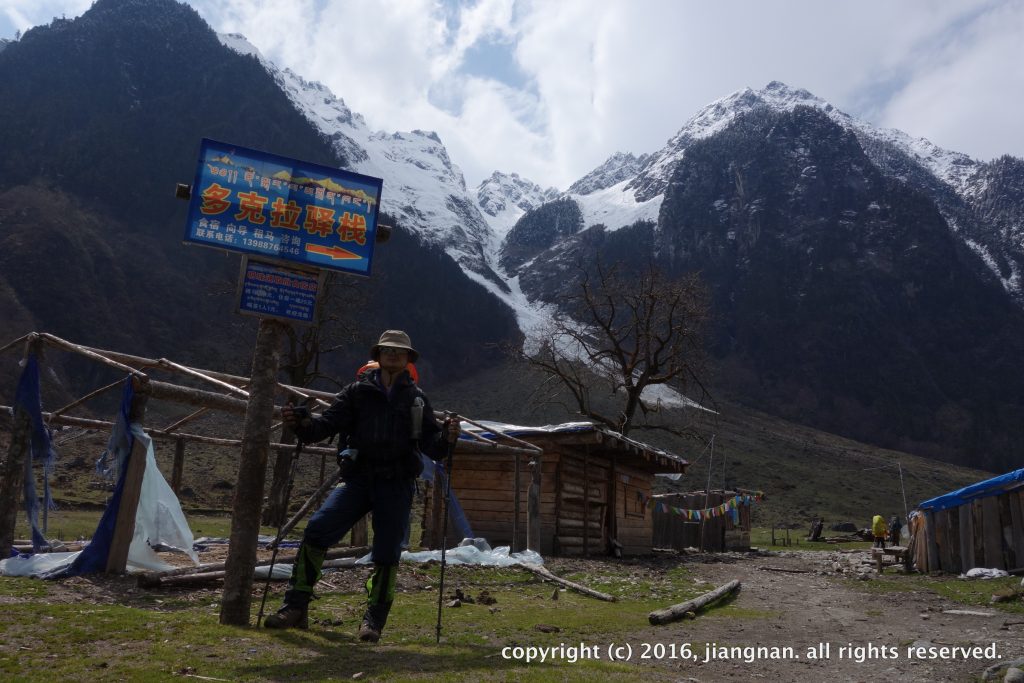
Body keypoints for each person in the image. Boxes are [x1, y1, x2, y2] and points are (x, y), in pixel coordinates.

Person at [265, 330, 459, 642]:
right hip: (358, 479)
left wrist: (449, 436)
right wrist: (300, 423)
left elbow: (433, 448)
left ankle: (373, 622)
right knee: (317, 530)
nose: (393, 355)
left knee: (387, 552)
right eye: (388, 350)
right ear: (378, 355)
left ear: (408, 359)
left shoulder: (417, 399)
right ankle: (295, 607)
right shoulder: (355, 392)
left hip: (397, 483)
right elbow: (323, 426)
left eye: (400, 352)